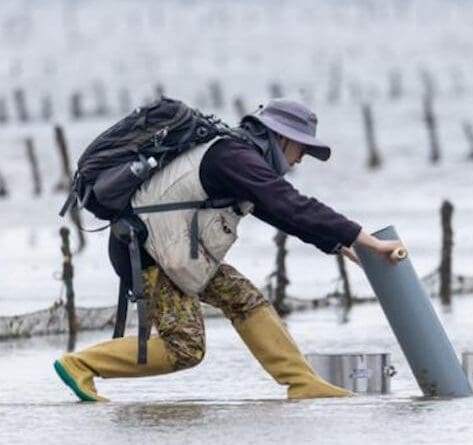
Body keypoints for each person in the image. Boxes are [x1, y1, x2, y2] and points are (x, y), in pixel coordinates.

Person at [54, 99, 403, 401]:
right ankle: (80, 364)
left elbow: (284, 213)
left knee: (244, 298)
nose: (299, 161)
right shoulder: (234, 157)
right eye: (301, 150)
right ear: (281, 137)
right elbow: (291, 204)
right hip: (147, 253)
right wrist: (368, 240)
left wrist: (343, 246)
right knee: (185, 348)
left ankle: (303, 382)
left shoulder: (239, 156)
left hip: (176, 252)